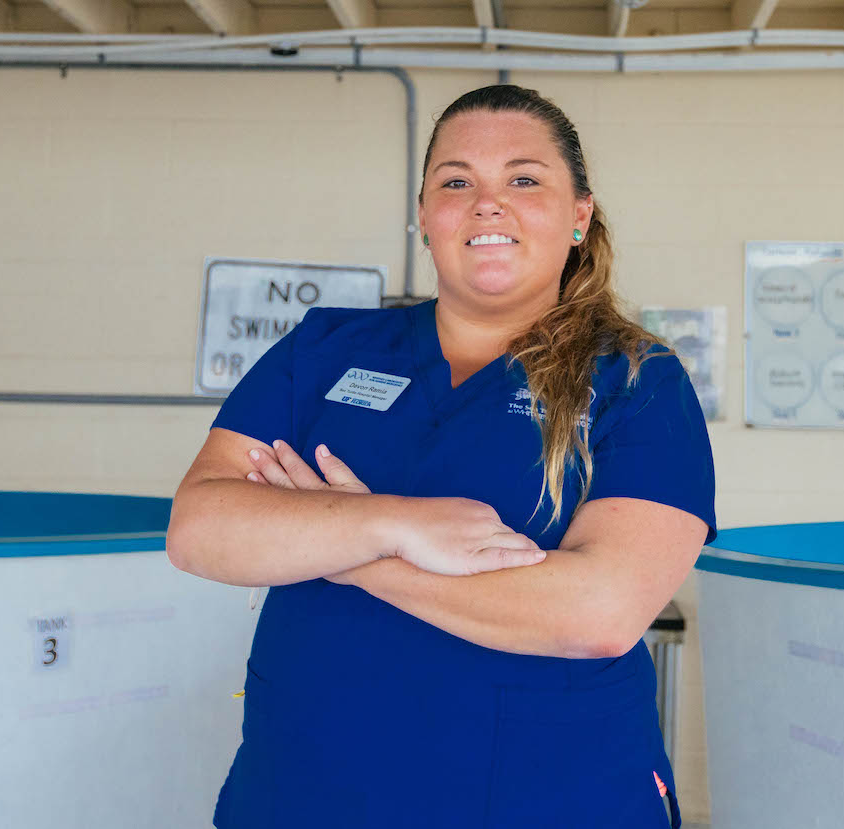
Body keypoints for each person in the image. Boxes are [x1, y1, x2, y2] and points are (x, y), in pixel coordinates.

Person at [167, 83, 716, 829]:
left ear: (579, 216)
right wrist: (398, 522)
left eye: (524, 179)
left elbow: (598, 612)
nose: (488, 203)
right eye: (456, 182)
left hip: (548, 799)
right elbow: (199, 528)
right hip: (303, 794)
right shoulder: (324, 350)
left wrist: (342, 542)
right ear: (424, 217)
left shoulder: (639, 381)